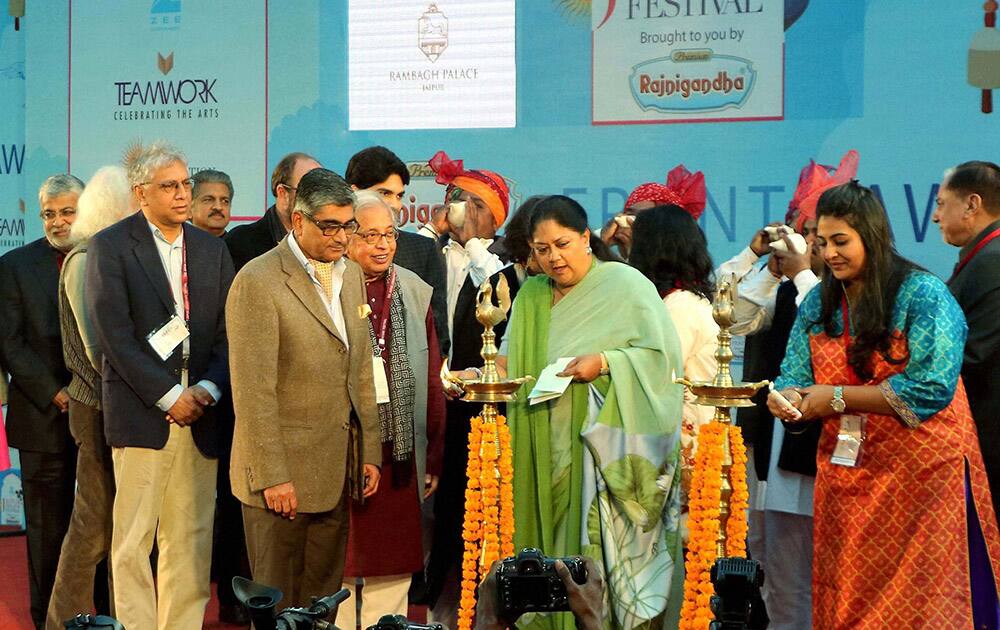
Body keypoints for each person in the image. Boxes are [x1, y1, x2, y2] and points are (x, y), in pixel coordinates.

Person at [769, 181, 1000, 628]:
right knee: (847, 592)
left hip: (923, 475)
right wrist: (790, 399)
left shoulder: (923, 295)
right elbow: (794, 373)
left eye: (841, 241)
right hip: (846, 474)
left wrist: (834, 398)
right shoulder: (819, 300)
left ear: (871, 236)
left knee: (926, 598)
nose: (830, 253)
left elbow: (932, 388)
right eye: (821, 243)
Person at [505, 195, 685, 629]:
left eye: (563, 244)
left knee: (598, 555)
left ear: (586, 237)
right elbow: (510, 362)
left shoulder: (625, 285)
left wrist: (604, 362)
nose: (554, 258)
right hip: (542, 443)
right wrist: (475, 374)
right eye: (542, 249)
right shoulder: (530, 296)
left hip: (604, 453)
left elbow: (662, 361)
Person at [85, 142, 233, 630]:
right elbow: (115, 338)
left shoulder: (211, 248)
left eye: (186, 184)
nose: (182, 194)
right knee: (132, 542)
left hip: (203, 410)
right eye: (169, 186)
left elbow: (229, 333)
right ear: (141, 193)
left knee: (190, 539)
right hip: (144, 412)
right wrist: (172, 397)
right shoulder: (110, 245)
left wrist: (209, 388)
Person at [226, 168, 381, 612]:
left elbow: (360, 370)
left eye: (347, 225)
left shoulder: (350, 274)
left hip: (336, 471)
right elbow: (253, 393)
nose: (340, 237)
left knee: (320, 606)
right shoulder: (258, 281)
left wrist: (369, 450)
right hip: (280, 480)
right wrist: (274, 475)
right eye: (329, 226)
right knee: (277, 608)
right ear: (298, 221)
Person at [723, 151, 857, 630]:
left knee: (826, 576)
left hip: (831, 453)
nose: (809, 244)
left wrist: (802, 271)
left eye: (819, 237)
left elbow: (828, 331)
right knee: (775, 571)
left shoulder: (853, 290)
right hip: (774, 451)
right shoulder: (783, 285)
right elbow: (733, 318)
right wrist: (765, 265)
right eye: (801, 231)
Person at [338, 191, 446, 628]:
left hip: (399, 450)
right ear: (346, 238)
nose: (381, 245)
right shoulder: (329, 287)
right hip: (342, 449)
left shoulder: (415, 291)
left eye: (389, 235)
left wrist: (432, 455)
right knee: (339, 569)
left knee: (393, 566)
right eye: (369, 236)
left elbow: (431, 376)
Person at [420, 150, 512, 626]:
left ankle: (474, 604)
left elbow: (498, 296)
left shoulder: (507, 262)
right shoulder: (426, 248)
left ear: (493, 214)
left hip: (476, 409)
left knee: (465, 510)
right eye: (453, 197)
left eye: (470, 201)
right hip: (423, 400)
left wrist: (475, 244)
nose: (457, 208)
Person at [45, 166, 133, 630]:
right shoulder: (85, 259)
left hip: (118, 406)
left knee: (123, 528)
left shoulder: (107, 256)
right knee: (93, 526)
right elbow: (97, 350)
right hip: (97, 407)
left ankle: (125, 617)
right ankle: (63, 621)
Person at [0, 173, 82, 629]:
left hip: (102, 418)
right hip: (42, 415)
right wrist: (56, 392)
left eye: (67, 211)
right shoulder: (14, 265)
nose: (57, 221)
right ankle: (46, 617)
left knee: (96, 527)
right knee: (46, 529)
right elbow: (9, 344)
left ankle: (95, 611)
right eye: (49, 213)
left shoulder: (106, 257)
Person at [629, 204, 718, 531]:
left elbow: (657, 375)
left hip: (684, 445)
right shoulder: (682, 300)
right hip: (679, 439)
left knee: (683, 547)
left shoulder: (679, 306)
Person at [934, 160, 1000, 519]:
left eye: (942, 204)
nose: (935, 217)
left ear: (972, 205)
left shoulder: (993, 260)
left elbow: (974, 357)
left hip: (989, 443)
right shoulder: (982, 257)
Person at [345, 146, 450, 356]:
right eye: (384, 193)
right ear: (354, 192)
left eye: (400, 195)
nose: (395, 204)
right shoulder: (332, 253)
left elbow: (437, 337)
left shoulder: (423, 250)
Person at [225, 152, 321, 271]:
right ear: (282, 192)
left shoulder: (329, 242)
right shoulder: (241, 241)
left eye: (322, 192)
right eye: (307, 190)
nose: (317, 199)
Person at [600, 164, 706, 259]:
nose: (630, 222)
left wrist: (636, 256)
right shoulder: (607, 265)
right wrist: (601, 244)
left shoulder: (679, 276)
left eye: (644, 218)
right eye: (629, 214)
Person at [189, 169, 233, 237]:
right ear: (189, 208)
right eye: (208, 200)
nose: (218, 207)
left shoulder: (240, 246)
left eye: (225, 201)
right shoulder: (177, 245)